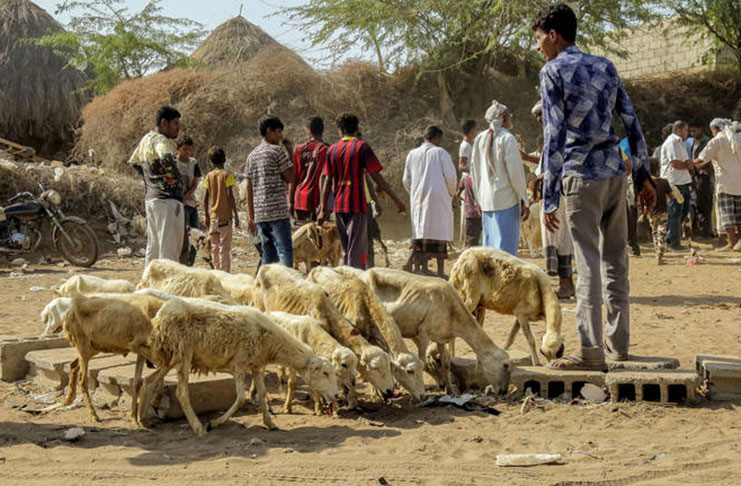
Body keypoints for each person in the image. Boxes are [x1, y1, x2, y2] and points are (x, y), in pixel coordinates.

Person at [532, 3, 655, 371]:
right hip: (615, 174)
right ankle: (619, 347)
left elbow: (553, 135)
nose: (538, 48)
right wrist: (643, 175)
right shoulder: (605, 66)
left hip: (579, 177)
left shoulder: (552, 71)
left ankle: (589, 353)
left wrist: (549, 194)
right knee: (616, 262)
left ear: (553, 35)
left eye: (538, 40)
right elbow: (630, 121)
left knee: (587, 264)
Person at [318, 113, 406, 269]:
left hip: (339, 206)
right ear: (357, 128)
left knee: (346, 249)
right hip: (357, 205)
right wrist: (396, 200)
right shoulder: (362, 147)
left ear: (340, 130)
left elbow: (327, 180)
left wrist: (323, 207)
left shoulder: (332, 149)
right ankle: (354, 282)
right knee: (356, 249)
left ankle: (348, 278)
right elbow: (376, 176)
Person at [470, 100, 530, 256]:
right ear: (503, 118)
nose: (510, 119)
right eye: (508, 116)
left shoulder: (479, 139)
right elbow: (516, 173)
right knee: (506, 251)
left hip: (487, 201)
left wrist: (478, 198)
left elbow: (475, 172)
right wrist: (524, 198)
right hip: (507, 201)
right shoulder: (507, 139)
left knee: (490, 250)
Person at [128, 105, 184, 267]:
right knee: (169, 249)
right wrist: (175, 179)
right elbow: (165, 156)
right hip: (167, 201)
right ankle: (168, 286)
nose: (178, 128)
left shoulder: (146, 139)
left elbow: (133, 162)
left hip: (152, 200)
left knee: (153, 247)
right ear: (164, 123)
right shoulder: (161, 141)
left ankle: (149, 284)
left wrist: (151, 179)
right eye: (175, 124)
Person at [530, 100, 575, 299]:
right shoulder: (551, 136)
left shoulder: (562, 135)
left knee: (561, 237)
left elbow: (561, 166)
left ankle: (567, 284)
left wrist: (542, 178)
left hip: (560, 194)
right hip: (550, 194)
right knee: (556, 238)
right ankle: (566, 283)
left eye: (542, 115)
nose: (540, 120)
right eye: (537, 117)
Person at [402, 126, 457, 276]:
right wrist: (451, 193)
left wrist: (414, 193)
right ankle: (440, 271)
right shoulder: (441, 153)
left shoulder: (412, 154)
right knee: (438, 236)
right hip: (438, 199)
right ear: (437, 138)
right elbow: (451, 177)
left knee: (421, 233)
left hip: (419, 199)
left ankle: (420, 268)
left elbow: (406, 180)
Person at [245, 117, 295, 267]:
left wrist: (251, 216)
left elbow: (248, 187)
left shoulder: (251, 155)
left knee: (268, 253)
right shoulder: (277, 151)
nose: (280, 136)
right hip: (277, 211)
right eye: (278, 131)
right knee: (284, 250)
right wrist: (290, 152)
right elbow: (290, 177)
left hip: (260, 213)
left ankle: (267, 287)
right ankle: (288, 284)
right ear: (269, 131)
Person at [694, 118, 741, 251]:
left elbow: (702, 158)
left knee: (727, 215)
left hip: (725, 184)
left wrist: (691, 163)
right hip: (740, 183)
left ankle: (731, 243)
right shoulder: (738, 138)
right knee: (739, 215)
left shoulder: (717, 140)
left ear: (715, 129)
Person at [203, 147, 239, 272]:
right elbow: (230, 196)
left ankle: (216, 272)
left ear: (211, 162)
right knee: (224, 248)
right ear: (224, 159)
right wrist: (236, 215)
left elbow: (206, 197)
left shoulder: (209, 176)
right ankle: (224, 274)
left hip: (213, 217)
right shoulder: (227, 175)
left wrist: (207, 215)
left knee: (215, 248)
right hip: (225, 218)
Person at [660, 120, 693, 251]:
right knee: (675, 212)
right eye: (686, 130)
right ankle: (674, 243)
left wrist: (688, 164)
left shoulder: (681, 143)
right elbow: (674, 163)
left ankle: (670, 237)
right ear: (679, 130)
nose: (688, 133)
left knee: (684, 211)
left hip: (683, 180)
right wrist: (687, 165)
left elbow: (684, 161)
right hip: (674, 182)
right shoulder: (672, 142)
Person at [292, 116, 328, 225]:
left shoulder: (298, 149)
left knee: (302, 235)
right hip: (316, 199)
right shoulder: (326, 149)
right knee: (317, 236)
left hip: (299, 198)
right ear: (322, 130)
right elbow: (326, 178)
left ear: (308, 130)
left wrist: (291, 201)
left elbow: (294, 176)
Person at [645, 158, 680, 265]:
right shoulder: (664, 182)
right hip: (663, 212)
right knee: (662, 234)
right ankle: (659, 255)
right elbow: (671, 196)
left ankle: (657, 254)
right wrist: (677, 196)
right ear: (658, 169)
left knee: (654, 233)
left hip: (651, 212)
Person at [175, 136, 202, 265]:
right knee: (183, 235)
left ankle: (190, 262)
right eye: (184, 149)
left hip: (191, 203)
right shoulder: (174, 163)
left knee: (195, 234)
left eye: (189, 150)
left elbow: (195, 182)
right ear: (178, 149)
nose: (187, 152)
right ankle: (183, 263)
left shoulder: (193, 163)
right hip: (179, 205)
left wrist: (188, 194)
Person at [690, 123, 715, 238]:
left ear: (700, 129)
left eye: (694, 131)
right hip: (695, 175)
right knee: (697, 203)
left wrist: (697, 165)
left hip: (704, 175)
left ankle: (706, 231)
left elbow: (707, 158)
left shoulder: (707, 141)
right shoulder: (693, 142)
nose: (692, 134)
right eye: (691, 131)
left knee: (704, 204)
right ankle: (699, 229)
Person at [458, 120, 478, 242]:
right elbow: (461, 166)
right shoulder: (465, 146)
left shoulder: (471, 144)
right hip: (468, 181)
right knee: (470, 214)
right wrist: (477, 170)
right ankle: (468, 242)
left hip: (472, 180)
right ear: (471, 131)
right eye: (475, 129)